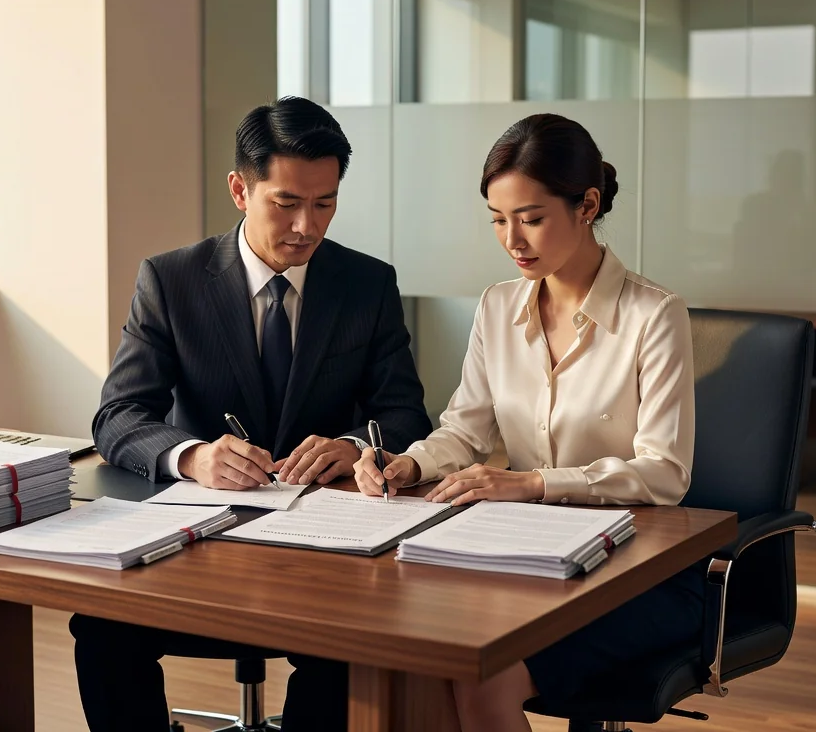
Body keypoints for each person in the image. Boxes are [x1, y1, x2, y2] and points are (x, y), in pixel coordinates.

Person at [72, 96, 432, 732]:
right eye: (286, 202)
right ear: (241, 189)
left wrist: (355, 445)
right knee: (101, 626)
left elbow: (404, 411)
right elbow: (119, 415)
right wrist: (193, 456)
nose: (306, 226)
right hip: (200, 544)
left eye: (324, 203)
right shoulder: (171, 280)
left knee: (352, 646)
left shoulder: (366, 284)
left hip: (327, 551)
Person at [352, 113, 699, 732]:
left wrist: (533, 482)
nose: (513, 239)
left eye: (532, 218)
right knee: (415, 652)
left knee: (481, 676)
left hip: (631, 569)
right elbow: (467, 430)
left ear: (587, 205)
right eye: (498, 219)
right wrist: (410, 463)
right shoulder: (497, 305)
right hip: (522, 556)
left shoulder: (655, 314)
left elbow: (665, 474)